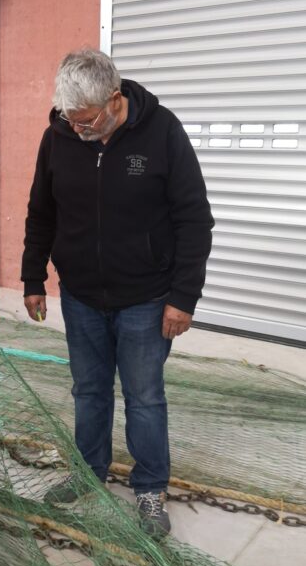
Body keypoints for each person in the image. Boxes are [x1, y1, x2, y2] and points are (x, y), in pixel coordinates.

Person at [21, 49, 213, 535]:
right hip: (81, 296)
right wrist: (32, 278)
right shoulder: (58, 136)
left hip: (146, 298)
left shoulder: (162, 131)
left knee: (144, 396)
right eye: (70, 119)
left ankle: (150, 489)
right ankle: (89, 472)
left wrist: (183, 297)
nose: (77, 129)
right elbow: (41, 211)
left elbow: (194, 219)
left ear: (114, 99)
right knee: (88, 390)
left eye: (86, 120)